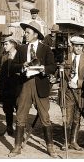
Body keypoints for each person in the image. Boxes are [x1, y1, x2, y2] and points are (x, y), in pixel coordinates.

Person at [8, 21, 57, 158]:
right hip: (25, 85)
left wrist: (43, 69)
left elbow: (53, 67)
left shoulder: (46, 49)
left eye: (28, 32)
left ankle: (50, 147)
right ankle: (17, 147)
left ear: (36, 34)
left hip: (40, 84)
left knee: (45, 117)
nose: (25, 34)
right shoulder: (22, 49)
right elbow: (13, 67)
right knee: (20, 116)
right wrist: (22, 66)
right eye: (25, 32)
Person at [60, 36, 84, 151]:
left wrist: (78, 83)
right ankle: (65, 142)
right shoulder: (65, 58)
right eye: (76, 46)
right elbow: (59, 74)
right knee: (67, 118)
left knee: (77, 117)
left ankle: (74, 141)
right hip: (68, 92)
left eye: (81, 46)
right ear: (72, 46)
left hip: (80, 91)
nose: (79, 48)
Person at [0, 36, 20, 136]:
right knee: (7, 109)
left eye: (6, 44)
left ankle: (20, 132)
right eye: (3, 44)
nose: (4, 46)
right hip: (7, 87)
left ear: (13, 44)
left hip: (17, 87)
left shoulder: (20, 56)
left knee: (19, 109)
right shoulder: (4, 57)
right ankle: (9, 128)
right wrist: (0, 89)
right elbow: (1, 74)